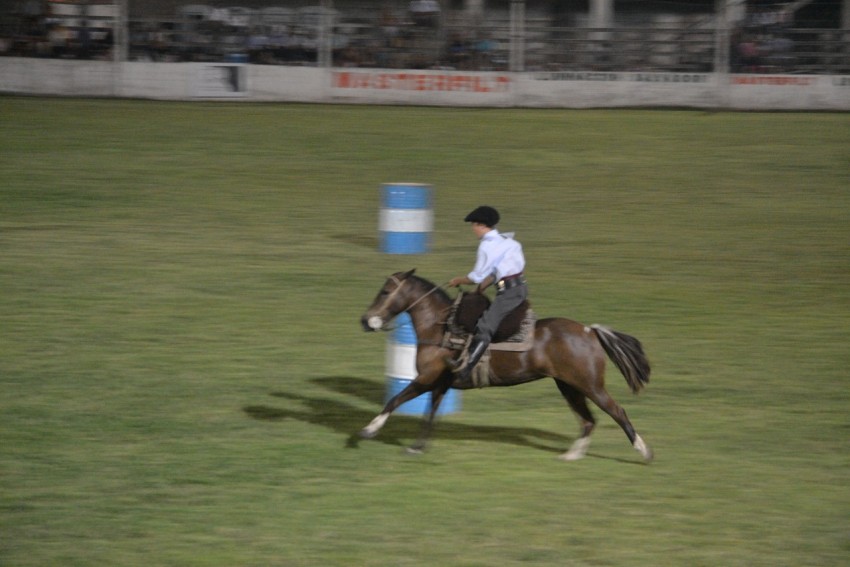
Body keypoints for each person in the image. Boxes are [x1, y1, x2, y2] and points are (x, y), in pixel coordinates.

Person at [449, 206, 527, 381]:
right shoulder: (508, 241)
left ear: (482, 225)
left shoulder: (487, 246)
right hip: (516, 287)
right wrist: (480, 290)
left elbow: (476, 276)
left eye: (474, 225)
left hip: (509, 292)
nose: (473, 229)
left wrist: (458, 281)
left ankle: (466, 368)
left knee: (485, 326)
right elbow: (495, 273)